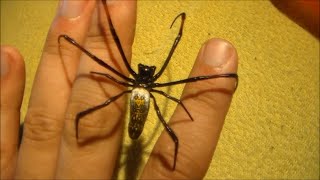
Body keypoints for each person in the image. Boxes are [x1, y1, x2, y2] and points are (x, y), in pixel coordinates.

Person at [0, 1, 238, 179]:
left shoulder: (137, 85)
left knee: (166, 132)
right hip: (145, 97)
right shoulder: (156, 90)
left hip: (137, 96)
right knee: (93, 107)